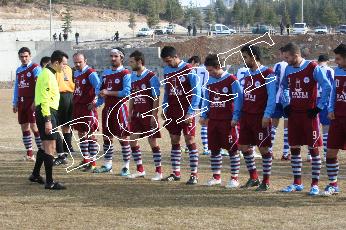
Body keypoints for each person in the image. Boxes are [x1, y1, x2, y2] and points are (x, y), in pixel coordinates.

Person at [280, 42, 331, 196]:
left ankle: (314, 184)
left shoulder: (313, 67)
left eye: (287, 57)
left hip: (309, 115)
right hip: (294, 114)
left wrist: (319, 107)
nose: (285, 60)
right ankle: (297, 183)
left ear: (296, 55)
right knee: (294, 147)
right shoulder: (288, 69)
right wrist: (286, 103)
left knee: (313, 149)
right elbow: (283, 87)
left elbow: (327, 86)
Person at [200, 54, 243, 188]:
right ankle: (216, 177)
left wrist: (236, 117)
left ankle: (234, 178)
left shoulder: (232, 80)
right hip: (213, 120)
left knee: (232, 149)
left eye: (211, 70)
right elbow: (207, 100)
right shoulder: (210, 82)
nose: (209, 73)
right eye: (207, 71)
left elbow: (239, 100)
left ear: (219, 67)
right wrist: (204, 115)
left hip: (228, 121)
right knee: (214, 149)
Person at [237, 44, 276, 191]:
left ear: (254, 57)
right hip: (246, 116)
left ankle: (266, 181)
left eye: (245, 57)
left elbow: (272, 97)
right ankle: (253, 178)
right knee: (243, 146)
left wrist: (267, 115)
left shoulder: (269, 74)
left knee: (263, 148)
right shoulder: (247, 74)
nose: (244, 60)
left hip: (260, 117)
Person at [160, 46, 201, 184]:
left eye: (168, 60)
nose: (167, 63)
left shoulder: (189, 69)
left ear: (175, 56)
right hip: (172, 109)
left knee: (189, 139)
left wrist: (191, 112)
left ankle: (194, 174)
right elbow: (167, 91)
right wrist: (165, 107)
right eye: (165, 61)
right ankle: (176, 172)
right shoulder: (166, 70)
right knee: (174, 139)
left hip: (186, 109)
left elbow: (197, 92)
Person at [29, 50, 68, 190]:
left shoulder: (48, 73)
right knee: (50, 147)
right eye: (63, 64)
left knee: (46, 146)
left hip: (48, 112)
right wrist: (47, 119)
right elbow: (45, 98)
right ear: (56, 62)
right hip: (47, 112)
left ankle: (35, 175)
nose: (65, 67)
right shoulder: (47, 75)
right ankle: (50, 182)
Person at [93, 48, 132, 176]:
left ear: (121, 57)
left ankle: (126, 166)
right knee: (106, 138)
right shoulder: (105, 73)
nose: (113, 58)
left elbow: (126, 93)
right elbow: (100, 91)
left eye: (115, 56)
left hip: (120, 109)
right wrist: (96, 103)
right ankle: (107, 164)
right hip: (107, 109)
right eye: (111, 56)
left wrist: (108, 92)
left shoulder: (125, 73)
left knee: (123, 137)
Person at [126, 50, 163, 180]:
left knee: (152, 142)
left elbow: (156, 97)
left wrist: (154, 115)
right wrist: (129, 112)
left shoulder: (151, 77)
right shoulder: (132, 77)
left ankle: (159, 171)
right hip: (136, 115)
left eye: (131, 62)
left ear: (139, 61)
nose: (129, 64)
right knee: (132, 140)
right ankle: (140, 170)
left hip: (148, 115)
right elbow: (132, 97)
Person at [322, 43, 346, 196]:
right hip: (337, 118)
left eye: (338, 59)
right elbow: (333, 92)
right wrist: (330, 109)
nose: (336, 62)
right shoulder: (337, 71)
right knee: (330, 152)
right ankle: (333, 185)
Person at [12, 47, 43, 161]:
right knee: (24, 126)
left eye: (26, 56)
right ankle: (30, 154)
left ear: (30, 56)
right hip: (21, 102)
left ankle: (42, 151)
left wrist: (36, 100)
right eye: (21, 56)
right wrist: (15, 102)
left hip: (32, 101)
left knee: (34, 126)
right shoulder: (19, 70)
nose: (24, 58)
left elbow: (39, 86)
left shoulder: (35, 68)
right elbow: (17, 87)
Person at [72, 53, 101, 172]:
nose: (78, 64)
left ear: (85, 60)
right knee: (80, 132)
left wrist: (95, 102)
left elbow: (99, 88)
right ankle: (86, 160)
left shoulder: (91, 73)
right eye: (75, 62)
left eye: (80, 62)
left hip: (88, 107)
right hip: (78, 106)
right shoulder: (76, 73)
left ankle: (93, 163)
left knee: (90, 134)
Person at [53, 56, 75, 166]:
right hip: (63, 96)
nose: (65, 64)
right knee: (61, 127)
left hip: (64, 97)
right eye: (64, 62)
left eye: (66, 62)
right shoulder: (67, 69)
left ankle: (62, 155)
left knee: (61, 127)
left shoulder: (66, 69)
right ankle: (63, 154)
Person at [187, 55, 210, 156]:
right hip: (205, 96)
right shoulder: (206, 69)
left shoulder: (190, 69)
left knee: (192, 121)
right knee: (204, 122)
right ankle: (206, 148)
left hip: (195, 96)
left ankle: (188, 146)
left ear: (193, 61)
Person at [271, 47, 289, 160]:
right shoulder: (292, 65)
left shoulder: (278, 65)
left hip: (277, 99)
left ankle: (269, 151)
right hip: (288, 100)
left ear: (283, 54)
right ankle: (286, 153)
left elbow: (275, 82)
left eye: (280, 53)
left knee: (274, 126)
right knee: (287, 127)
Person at [317, 54, 334, 162]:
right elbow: (332, 87)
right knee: (326, 127)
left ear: (319, 61)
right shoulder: (329, 70)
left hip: (314, 100)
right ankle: (325, 154)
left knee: (313, 127)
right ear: (327, 61)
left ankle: (311, 155)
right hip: (325, 100)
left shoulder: (315, 69)